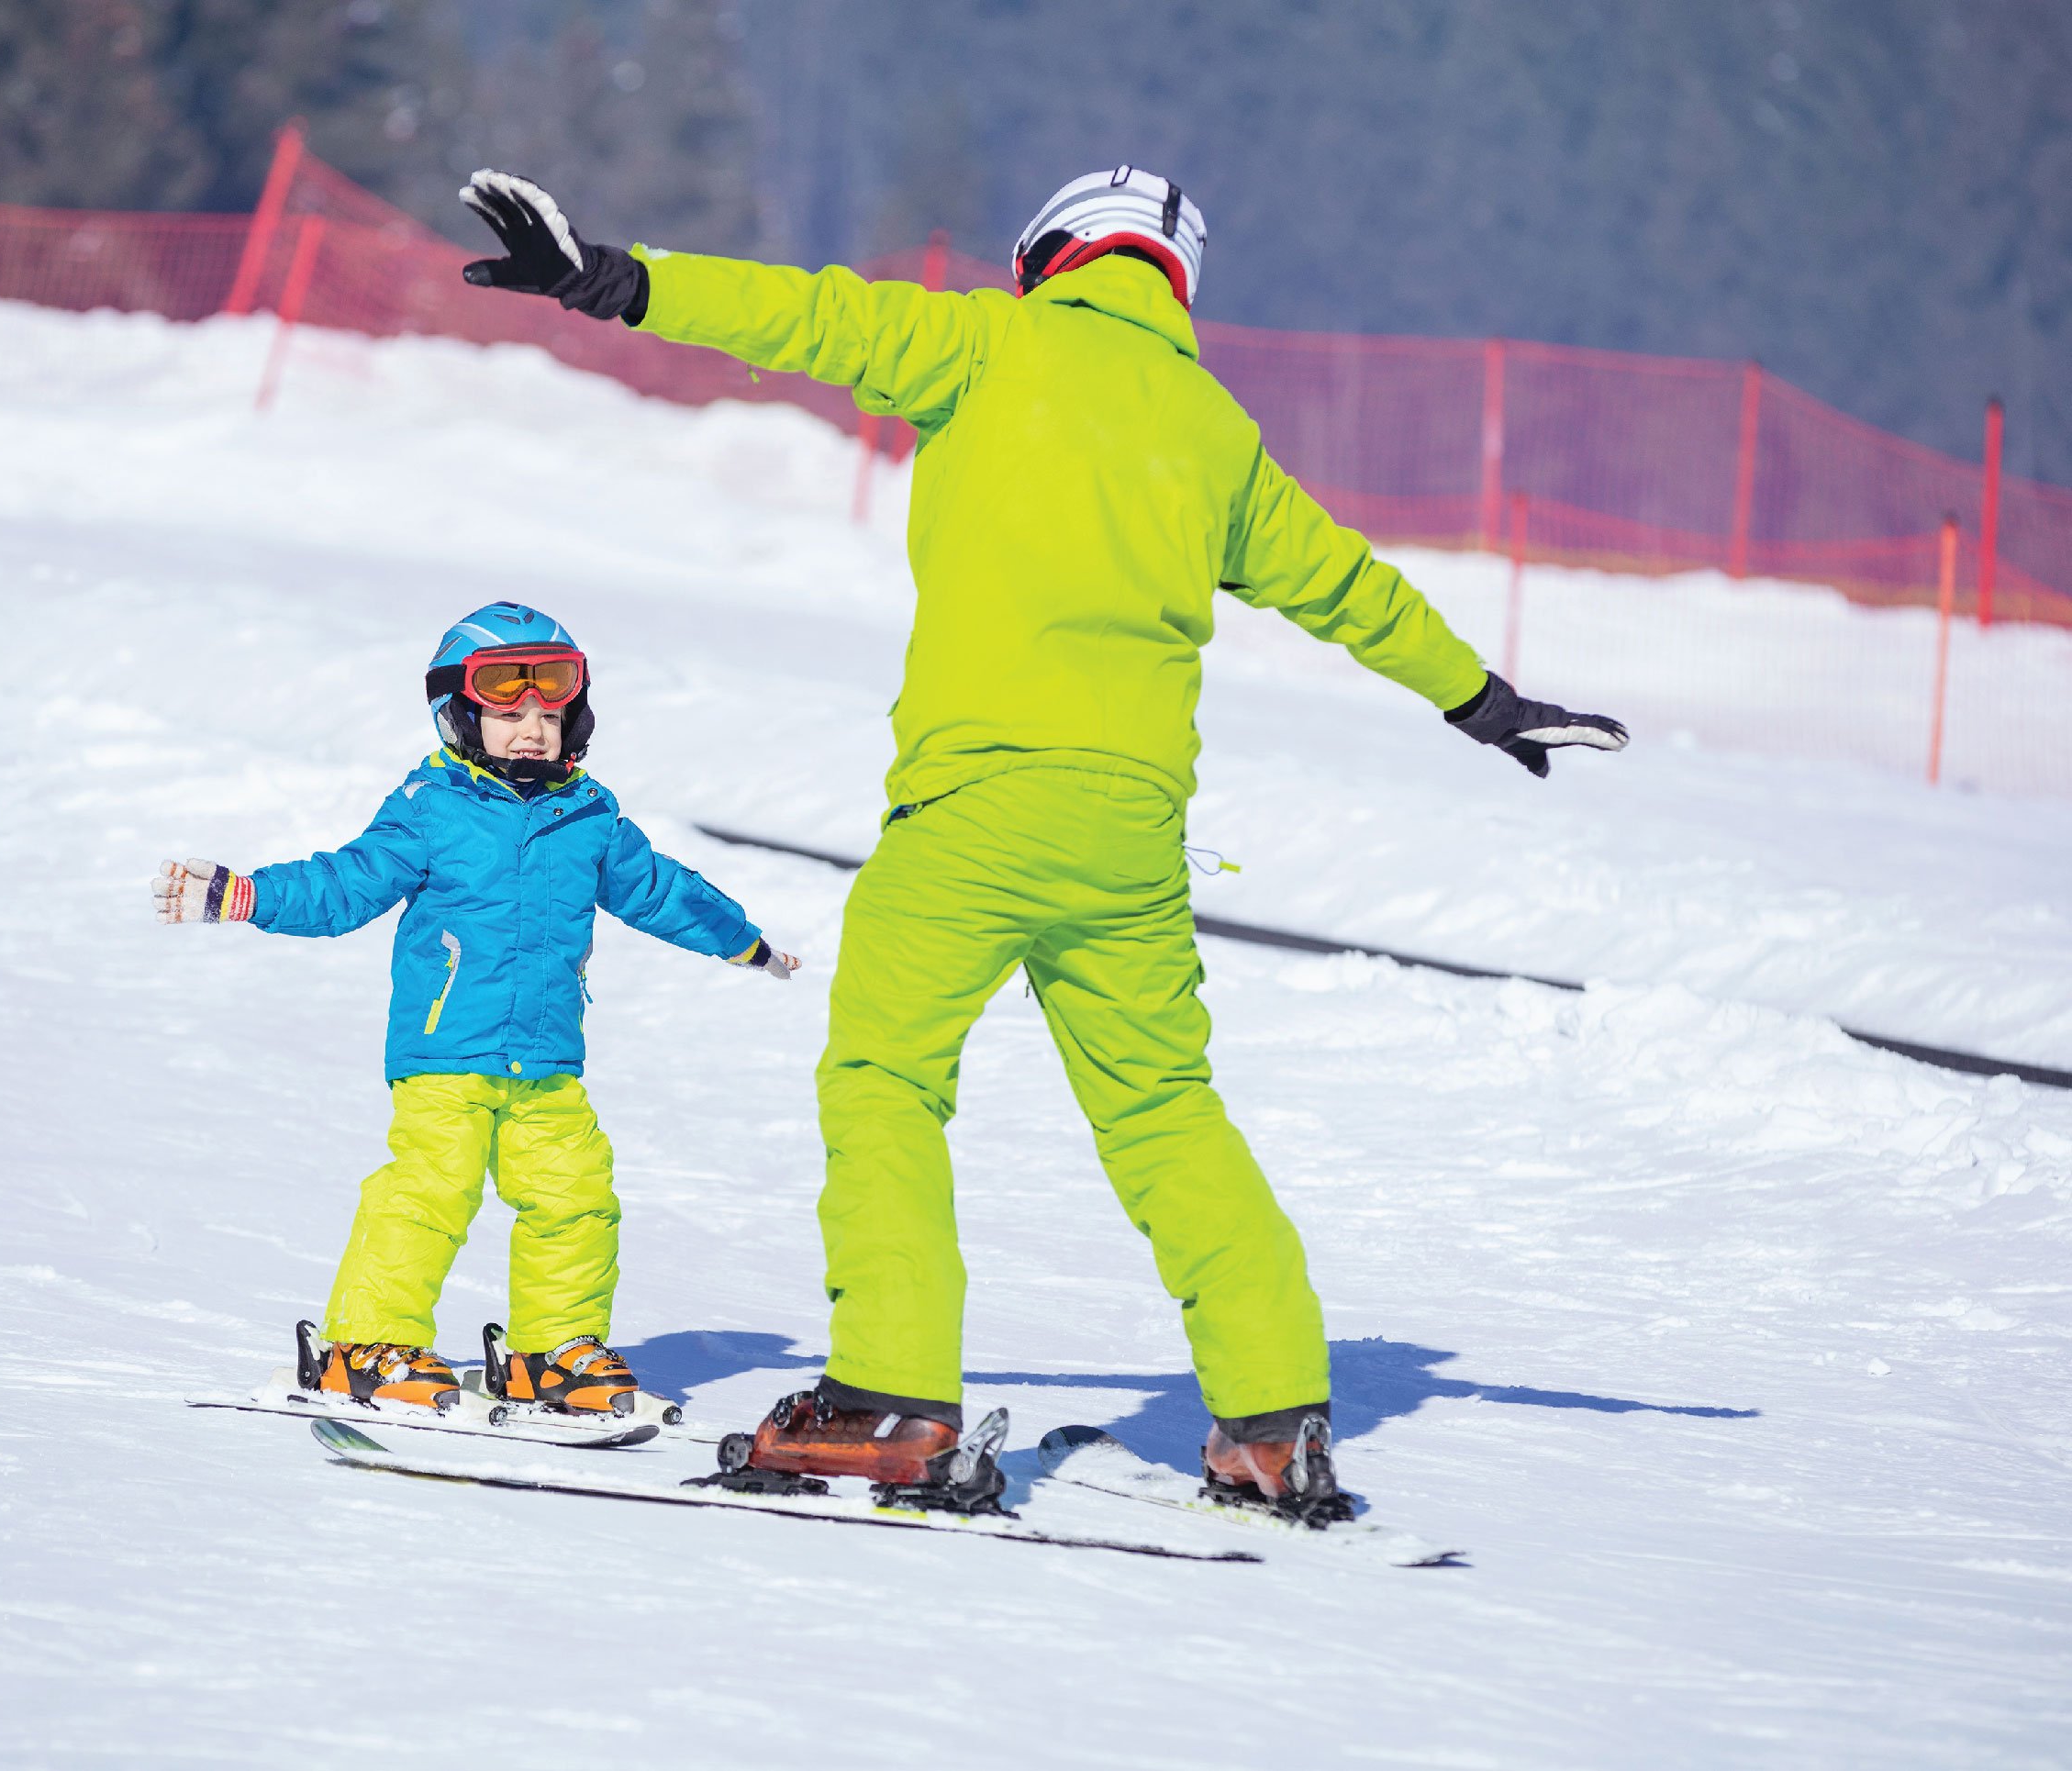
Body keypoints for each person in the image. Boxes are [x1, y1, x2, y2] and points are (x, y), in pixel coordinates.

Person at [453, 168, 1627, 1515]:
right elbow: (1343, 583)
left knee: (885, 1074)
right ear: (1172, 283)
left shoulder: (982, 343)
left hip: (971, 811)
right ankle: (1270, 1420)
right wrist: (1479, 698)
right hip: (1128, 838)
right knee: (1160, 1108)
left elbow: (796, 317)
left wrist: (606, 274)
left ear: (1046, 257)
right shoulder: (1210, 429)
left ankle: (890, 1392)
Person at [152, 601, 799, 1418]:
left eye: (549, 709)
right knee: (429, 1193)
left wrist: (743, 943)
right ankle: (366, 1347)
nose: (531, 728)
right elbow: (346, 884)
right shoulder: (431, 808)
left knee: (575, 1200)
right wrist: (246, 895)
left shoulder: (589, 817)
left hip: (545, 1060)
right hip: (445, 1054)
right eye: (507, 709)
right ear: (459, 714)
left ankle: (554, 1352)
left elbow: (663, 890)